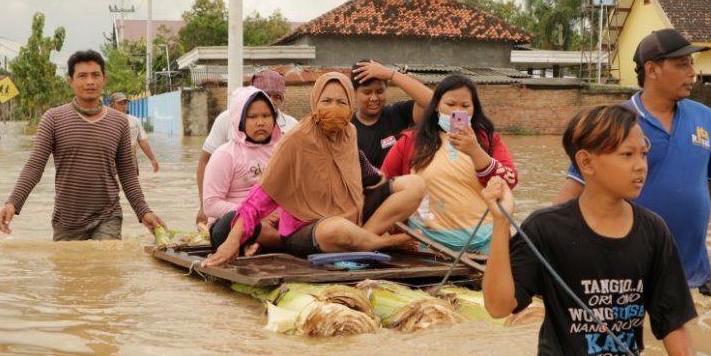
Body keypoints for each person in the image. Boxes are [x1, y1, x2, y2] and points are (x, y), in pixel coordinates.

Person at [482, 104, 697, 356]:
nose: (640, 166)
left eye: (643, 154)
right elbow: (498, 307)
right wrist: (500, 223)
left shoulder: (654, 231)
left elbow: (672, 323)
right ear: (586, 162)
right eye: (627, 155)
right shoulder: (546, 228)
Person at [555, 29, 711, 296]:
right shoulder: (615, 123)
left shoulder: (705, 118)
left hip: (695, 277)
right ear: (652, 70)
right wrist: (549, 255)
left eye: (691, 64)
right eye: (682, 64)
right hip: (627, 279)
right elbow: (574, 191)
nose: (692, 73)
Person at [203, 72, 426, 267]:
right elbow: (262, 195)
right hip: (307, 227)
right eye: (326, 101)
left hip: (350, 215)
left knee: (414, 185)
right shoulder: (296, 139)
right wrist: (233, 240)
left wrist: (379, 184)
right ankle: (379, 242)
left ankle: (362, 239)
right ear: (315, 102)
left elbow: (361, 177)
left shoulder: (349, 132)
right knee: (336, 229)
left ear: (350, 106)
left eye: (341, 102)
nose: (333, 108)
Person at [0, 50, 165, 240]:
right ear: (70, 81)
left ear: (104, 79)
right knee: (70, 260)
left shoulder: (119, 122)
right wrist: (13, 202)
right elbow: (35, 166)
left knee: (107, 258)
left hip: (108, 216)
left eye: (95, 75)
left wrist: (144, 211)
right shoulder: (53, 119)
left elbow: (127, 172)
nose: (90, 81)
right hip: (67, 220)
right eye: (82, 76)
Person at [382, 74, 518, 253]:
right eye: (451, 104)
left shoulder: (488, 140)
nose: (457, 112)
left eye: (465, 106)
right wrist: (388, 232)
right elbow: (384, 185)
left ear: (474, 109)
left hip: (486, 243)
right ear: (436, 106)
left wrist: (475, 151)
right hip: (425, 245)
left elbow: (509, 181)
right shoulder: (410, 142)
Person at [195, 70, 298, 224]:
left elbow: (293, 181)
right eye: (252, 116)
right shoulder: (226, 130)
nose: (260, 122)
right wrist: (203, 206)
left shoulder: (290, 131)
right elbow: (205, 162)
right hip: (233, 214)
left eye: (276, 97)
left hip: (270, 217)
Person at [204, 86, 283, 254]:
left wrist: (281, 213)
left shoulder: (281, 150)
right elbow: (210, 205)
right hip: (231, 225)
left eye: (266, 116)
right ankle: (279, 243)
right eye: (252, 117)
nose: (260, 122)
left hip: (274, 222)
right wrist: (254, 214)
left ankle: (258, 244)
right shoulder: (225, 155)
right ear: (239, 120)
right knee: (230, 222)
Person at [351, 59, 433, 167]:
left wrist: (391, 74)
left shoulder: (397, 114)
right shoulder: (348, 129)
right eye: (367, 92)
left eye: (380, 91)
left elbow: (432, 102)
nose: (374, 98)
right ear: (355, 92)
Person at [109, 92, 159, 173]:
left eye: (125, 103)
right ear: (112, 105)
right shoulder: (106, 121)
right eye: (120, 103)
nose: (123, 106)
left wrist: (152, 159)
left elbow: (142, 142)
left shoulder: (134, 120)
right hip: (112, 165)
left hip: (131, 164)